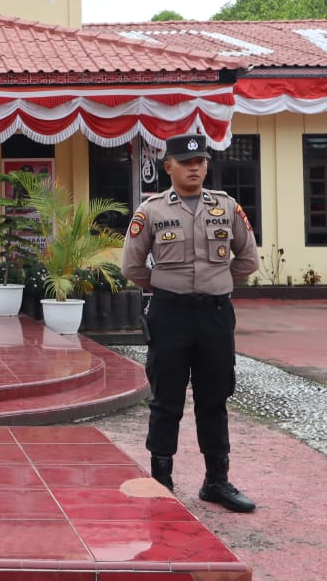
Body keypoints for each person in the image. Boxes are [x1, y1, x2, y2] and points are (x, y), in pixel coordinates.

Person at [121, 133, 260, 512]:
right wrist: (170, 287)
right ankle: (161, 481)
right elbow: (132, 266)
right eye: (186, 162)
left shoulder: (227, 207)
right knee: (166, 400)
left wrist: (216, 283)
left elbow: (248, 260)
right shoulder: (150, 211)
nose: (194, 168)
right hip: (170, 315)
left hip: (216, 316)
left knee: (214, 399)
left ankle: (216, 481)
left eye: (200, 162)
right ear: (169, 166)